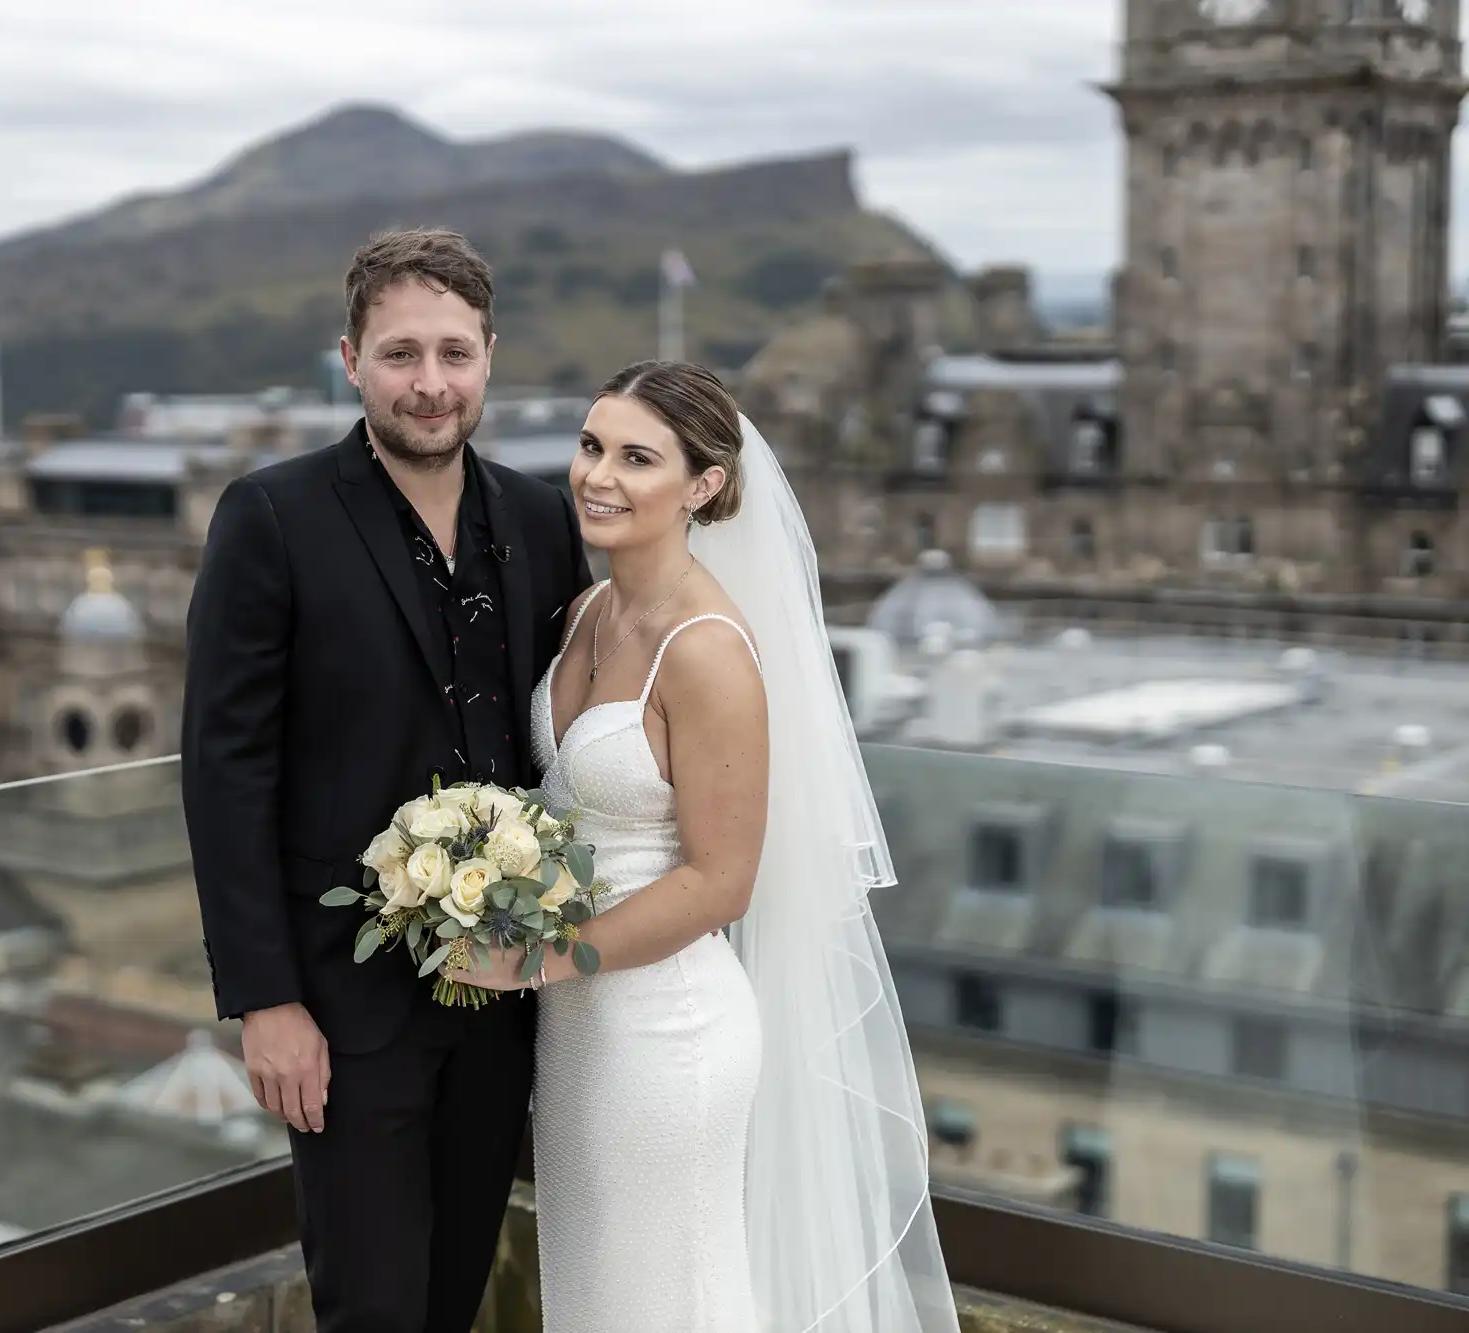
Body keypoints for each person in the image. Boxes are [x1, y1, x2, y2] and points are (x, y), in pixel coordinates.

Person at [447, 361, 960, 1332]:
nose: (598, 475)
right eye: (592, 445)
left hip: (664, 1033)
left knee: (671, 1297)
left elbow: (721, 881)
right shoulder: (587, 613)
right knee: (597, 1295)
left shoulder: (708, 649)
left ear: (703, 485)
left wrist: (535, 957)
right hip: (577, 1033)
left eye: (637, 457)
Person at [181, 228, 595, 1333]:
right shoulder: (269, 517)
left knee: (454, 1295)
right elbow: (224, 770)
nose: (429, 384)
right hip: (338, 1010)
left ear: (489, 357)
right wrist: (264, 1000)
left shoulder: (544, 519)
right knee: (370, 1308)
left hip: (503, 994)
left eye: (453, 354)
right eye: (400, 354)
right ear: (350, 358)